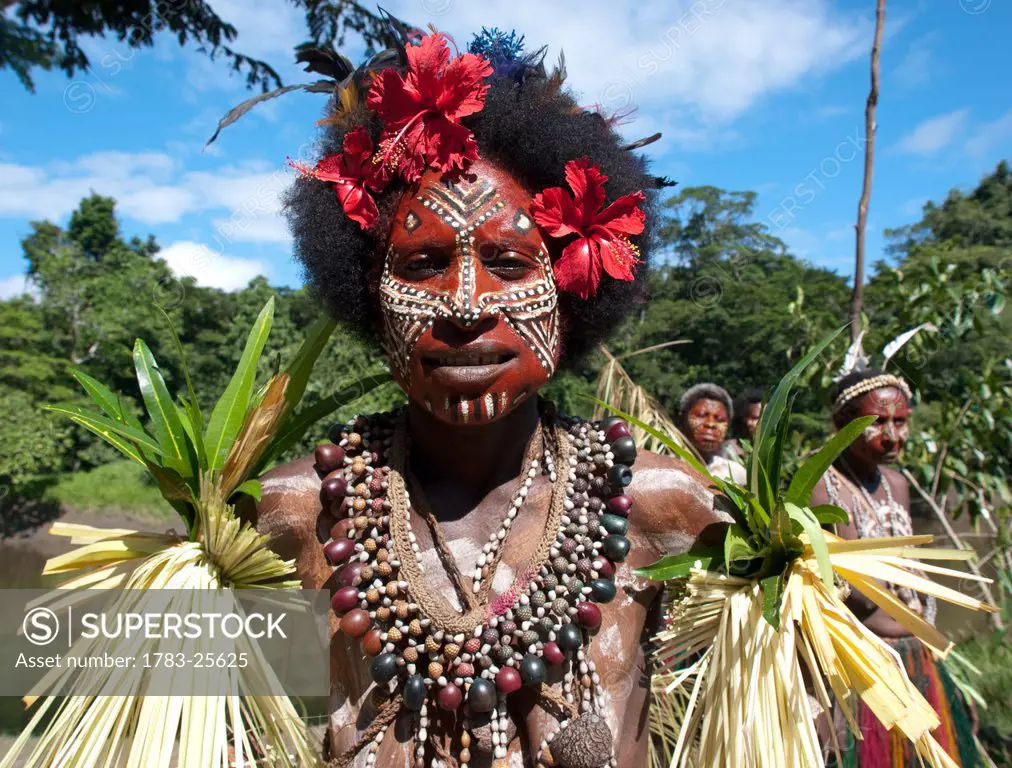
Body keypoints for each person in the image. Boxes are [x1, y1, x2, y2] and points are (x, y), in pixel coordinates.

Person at [239, 23, 728, 768]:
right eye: (424, 262)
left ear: (574, 287)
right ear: (369, 294)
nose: (464, 304)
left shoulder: (670, 508)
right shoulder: (292, 515)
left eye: (508, 261)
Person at [809, 369, 981, 767]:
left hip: (918, 656)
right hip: (867, 671)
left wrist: (944, 666)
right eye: (877, 422)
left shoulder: (896, 484)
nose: (892, 435)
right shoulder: (825, 489)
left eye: (900, 421)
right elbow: (855, 595)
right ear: (842, 425)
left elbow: (912, 577)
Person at [677, 383, 747, 484]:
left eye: (719, 419)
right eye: (701, 415)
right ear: (682, 419)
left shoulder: (737, 475)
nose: (711, 424)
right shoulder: (664, 466)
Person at [723, 387, 763, 463]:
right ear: (744, 419)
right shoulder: (727, 451)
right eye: (757, 418)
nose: (764, 422)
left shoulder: (768, 452)